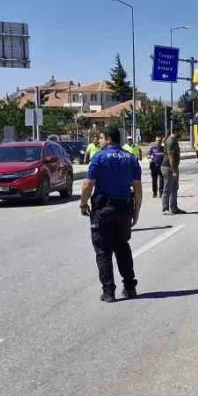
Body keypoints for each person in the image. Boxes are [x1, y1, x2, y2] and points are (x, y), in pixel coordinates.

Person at [79, 125, 142, 303]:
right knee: (122, 247)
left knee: (103, 251)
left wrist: (83, 204)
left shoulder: (99, 157)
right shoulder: (131, 158)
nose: (98, 141)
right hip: (124, 208)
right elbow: (137, 188)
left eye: (100, 138)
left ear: (108, 139)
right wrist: (136, 211)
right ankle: (130, 287)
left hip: (103, 209)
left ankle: (108, 292)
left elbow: (88, 185)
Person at [161, 124, 185, 215]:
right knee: (167, 188)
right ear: (176, 131)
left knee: (174, 187)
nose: (182, 133)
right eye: (181, 131)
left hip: (173, 167)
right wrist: (174, 170)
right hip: (168, 167)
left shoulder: (174, 140)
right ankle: (165, 209)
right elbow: (171, 157)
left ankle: (174, 208)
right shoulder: (171, 141)